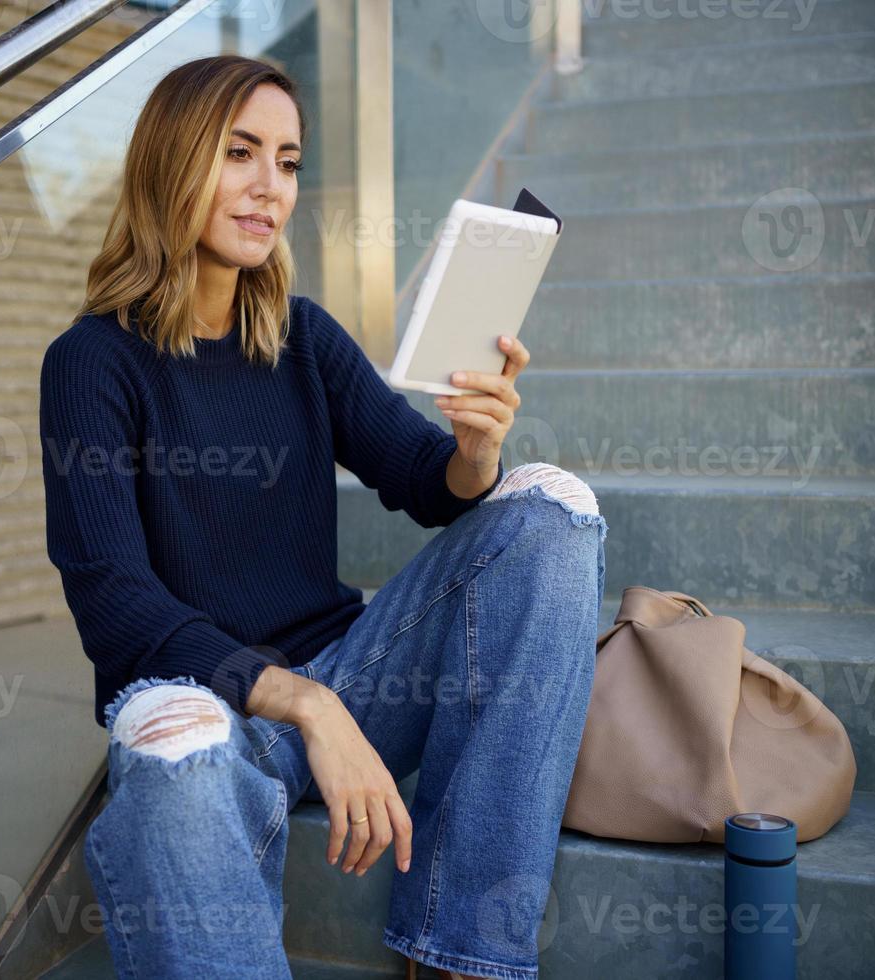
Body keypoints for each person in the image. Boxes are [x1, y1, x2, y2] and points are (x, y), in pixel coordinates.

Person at [39, 54, 607, 980]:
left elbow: (429, 482)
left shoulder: (302, 337)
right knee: (165, 738)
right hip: (211, 703)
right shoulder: (90, 363)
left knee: (550, 509)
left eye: (291, 161)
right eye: (240, 154)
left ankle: (463, 955)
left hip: (355, 675)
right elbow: (114, 602)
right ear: (171, 164)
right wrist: (302, 702)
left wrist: (474, 451)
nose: (272, 188)